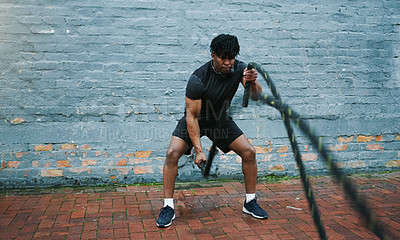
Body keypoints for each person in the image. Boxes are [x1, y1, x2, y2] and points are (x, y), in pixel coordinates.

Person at [156, 34, 268, 228]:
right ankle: (168, 207)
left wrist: (252, 82)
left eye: (231, 58)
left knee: (249, 152)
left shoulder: (240, 69)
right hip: (195, 119)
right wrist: (199, 150)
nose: (227, 62)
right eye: (223, 58)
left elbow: (256, 97)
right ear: (213, 55)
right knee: (172, 153)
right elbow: (191, 117)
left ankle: (250, 202)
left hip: (219, 120)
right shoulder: (198, 79)